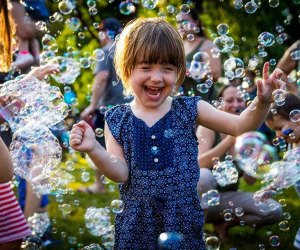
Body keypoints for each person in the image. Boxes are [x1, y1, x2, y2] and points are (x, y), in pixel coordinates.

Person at [69, 17, 285, 249]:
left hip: (182, 217)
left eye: (168, 68)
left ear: (179, 72)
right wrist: (93, 149)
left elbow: (240, 125)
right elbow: (120, 172)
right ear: (127, 69)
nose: (157, 77)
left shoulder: (191, 109)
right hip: (138, 221)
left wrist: (262, 102)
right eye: (146, 67)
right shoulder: (117, 118)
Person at [196, 85, 282, 240]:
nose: (235, 105)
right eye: (230, 100)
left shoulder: (250, 136)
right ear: (219, 104)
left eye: (240, 100)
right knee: (203, 175)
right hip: (197, 201)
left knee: (273, 210)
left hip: (226, 200)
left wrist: (255, 161)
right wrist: (229, 141)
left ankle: (224, 223)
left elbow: (250, 181)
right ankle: (195, 231)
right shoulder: (208, 128)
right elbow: (198, 164)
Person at [79, 17, 128, 194]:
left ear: (106, 33)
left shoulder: (105, 51)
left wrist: (92, 105)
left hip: (108, 107)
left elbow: (101, 78)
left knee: (98, 142)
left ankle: (99, 185)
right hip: (129, 105)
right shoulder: (126, 52)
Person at [264, 93, 300, 250]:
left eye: (279, 128)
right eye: (275, 131)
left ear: (297, 118)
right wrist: (270, 189)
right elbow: (286, 174)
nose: (278, 135)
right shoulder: (293, 147)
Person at [176, 9, 221, 100]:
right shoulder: (178, 45)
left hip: (203, 98)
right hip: (182, 97)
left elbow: (216, 74)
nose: (181, 25)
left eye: (185, 21)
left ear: (196, 23)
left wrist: (192, 72)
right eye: (178, 21)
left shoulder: (207, 44)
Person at [10, 0, 49, 70]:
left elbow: (24, 32)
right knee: (31, 37)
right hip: (41, 13)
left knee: (20, 31)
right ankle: (37, 55)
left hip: (33, 13)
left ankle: (24, 53)